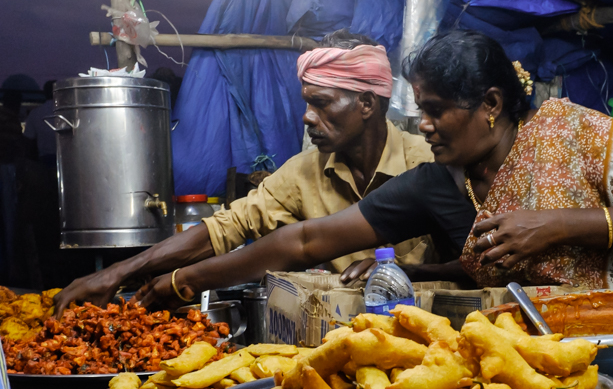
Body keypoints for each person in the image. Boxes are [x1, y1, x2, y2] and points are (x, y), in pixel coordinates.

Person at [137, 30, 613, 307]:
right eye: (421, 111)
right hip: (579, 342)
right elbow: (306, 240)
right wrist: (181, 280)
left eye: (436, 111)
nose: (425, 125)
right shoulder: (440, 182)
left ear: (491, 105)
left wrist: (556, 224)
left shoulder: (564, 127)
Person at [54, 29, 443, 314]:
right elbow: (227, 228)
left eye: (322, 103)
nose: (307, 117)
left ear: (367, 103)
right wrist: (120, 271)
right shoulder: (303, 172)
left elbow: (474, 261)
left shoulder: (428, 163)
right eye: (307, 103)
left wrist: (410, 271)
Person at [23, 80, 56, 166]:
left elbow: (28, 139)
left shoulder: (35, 113)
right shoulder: (69, 111)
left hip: (45, 158)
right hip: (67, 157)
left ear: (44, 93)